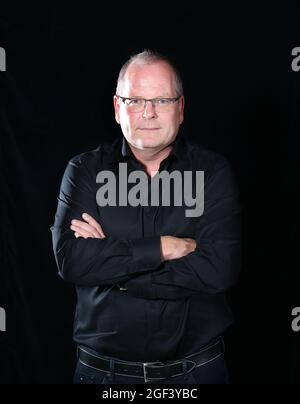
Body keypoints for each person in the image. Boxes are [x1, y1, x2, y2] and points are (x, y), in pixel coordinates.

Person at [50, 50, 241, 384]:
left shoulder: (212, 172)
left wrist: (115, 271)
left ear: (180, 109)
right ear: (116, 107)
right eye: (135, 100)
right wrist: (164, 247)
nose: (149, 113)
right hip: (103, 376)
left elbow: (219, 268)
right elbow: (72, 261)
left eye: (162, 100)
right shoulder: (84, 171)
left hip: (196, 375)